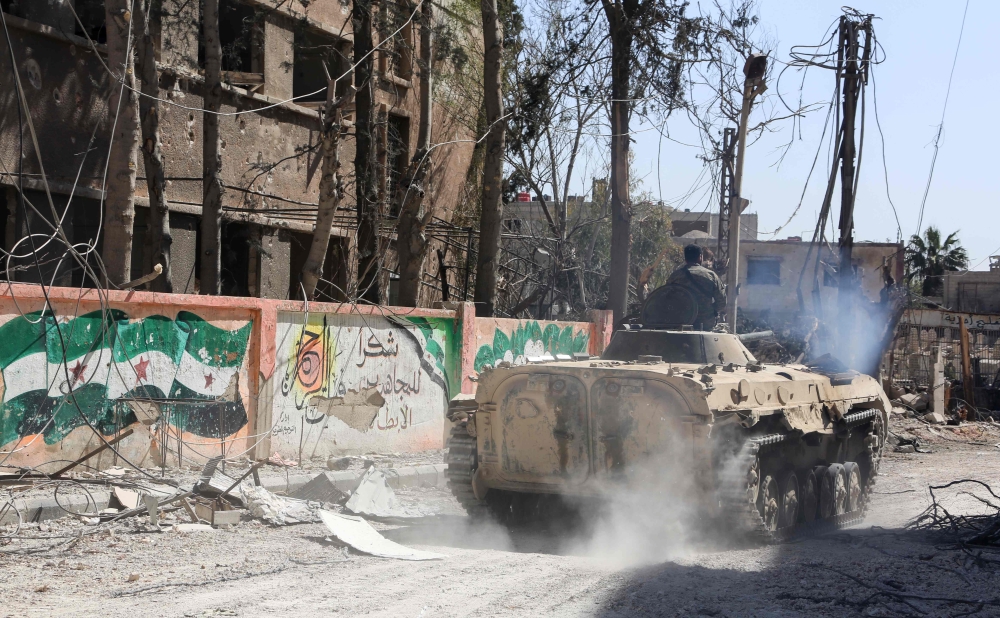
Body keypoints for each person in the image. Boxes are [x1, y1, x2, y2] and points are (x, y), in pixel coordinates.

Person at [665, 244, 726, 330]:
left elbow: (665, 298)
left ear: (685, 259)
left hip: (679, 322)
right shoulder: (711, 276)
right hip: (705, 323)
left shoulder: (675, 276)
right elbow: (722, 301)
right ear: (700, 257)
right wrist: (710, 311)